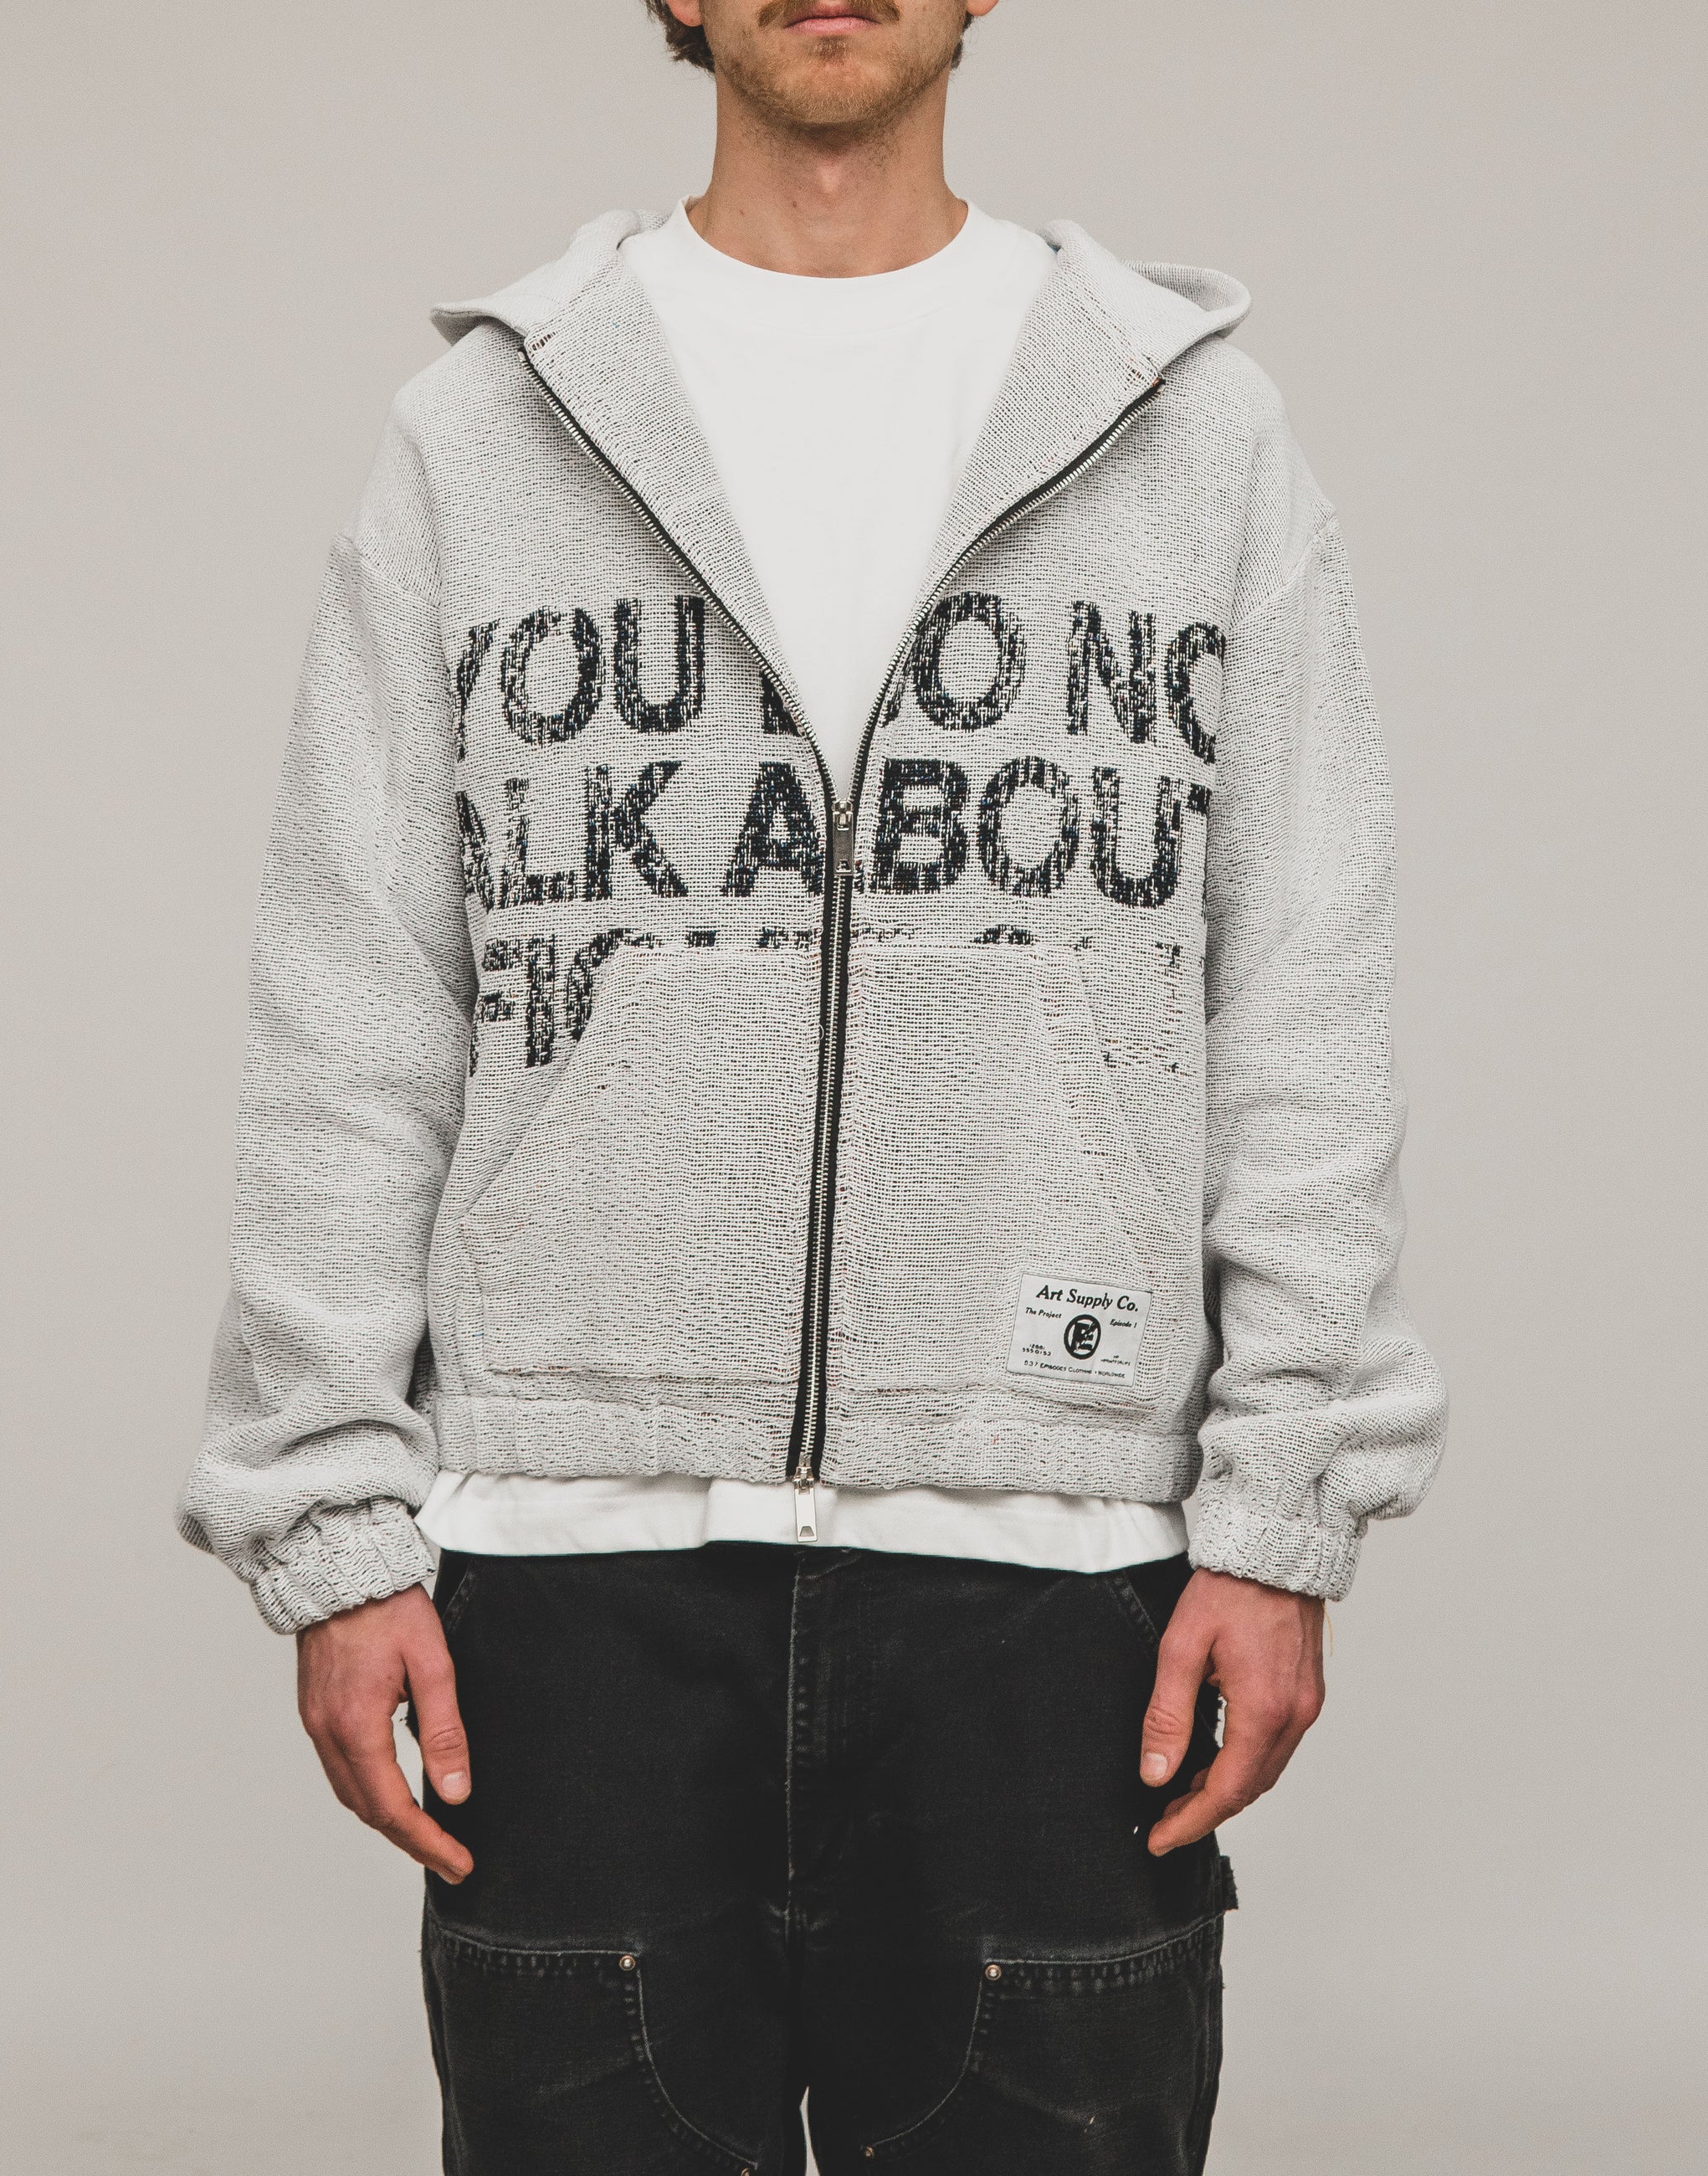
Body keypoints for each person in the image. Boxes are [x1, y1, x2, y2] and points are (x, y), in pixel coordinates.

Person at [175, 3, 1447, 2168]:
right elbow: (355, 1000)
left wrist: (1282, 1514)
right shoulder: (479, 439)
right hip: (570, 1585)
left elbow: (1302, 1004)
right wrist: (334, 1530)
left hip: (1058, 1585)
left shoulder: (1200, 441)